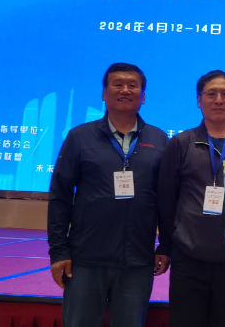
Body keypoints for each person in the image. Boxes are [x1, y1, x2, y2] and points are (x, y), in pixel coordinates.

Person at [47, 63, 169, 327]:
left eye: (133, 85)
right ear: (104, 93)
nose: (125, 90)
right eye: (117, 84)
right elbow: (60, 196)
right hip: (85, 259)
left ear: (143, 96)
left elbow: (166, 199)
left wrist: (166, 245)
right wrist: (58, 251)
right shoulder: (80, 137)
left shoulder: (159, 139)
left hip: (137, 260)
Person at [156, 70, 225, 327]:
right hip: (189, 258)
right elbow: (167, 198)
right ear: (199, 100)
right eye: (211, 93)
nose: (218, 100)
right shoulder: (181, 143)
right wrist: (168, 244)